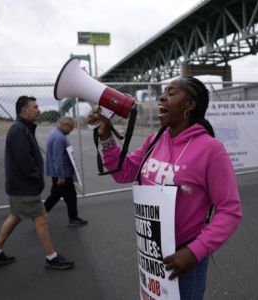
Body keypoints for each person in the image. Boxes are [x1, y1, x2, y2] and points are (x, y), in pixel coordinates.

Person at [89, 76, 242, 299]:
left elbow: (230, 211)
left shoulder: (211, 150)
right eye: (163, 92)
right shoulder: (155, 140)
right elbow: (123, 173)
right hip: (151, 252)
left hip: (185, 256)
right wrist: (106, 139)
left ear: (190, 104)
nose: (162, 97)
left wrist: (194, 252)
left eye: (171, 93)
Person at [0, 96, 74, 270]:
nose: (38, 110)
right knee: (41, 218)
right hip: (24, 187)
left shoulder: (23, 128)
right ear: (24, 110)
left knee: (15, 216)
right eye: (35, 107)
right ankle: (51, 257)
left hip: (19, 187)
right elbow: (24, 160)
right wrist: (37, 175)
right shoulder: (19, 130)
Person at [44, 116, 87, 226]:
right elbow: (57, 158)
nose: (72, 130)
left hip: (58, 173)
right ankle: (73, 218)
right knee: (71, 196)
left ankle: (39, 215)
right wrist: (61, 176)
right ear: (65, 125)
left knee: (55, 195)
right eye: (71, 127)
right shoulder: (59, 138)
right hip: (63, 174)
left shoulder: (55, 133)